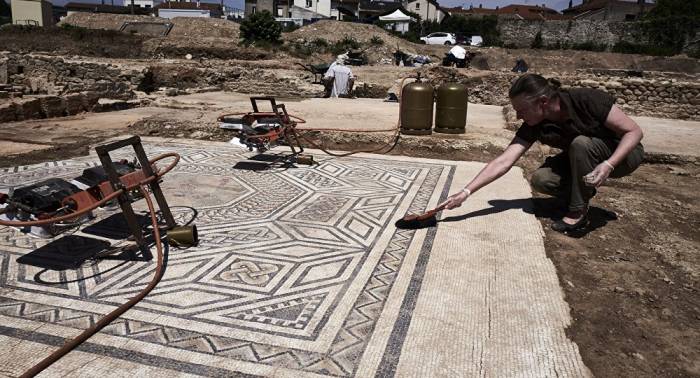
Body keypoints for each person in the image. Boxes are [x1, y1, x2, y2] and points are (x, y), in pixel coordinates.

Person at [441, 73, 644, 233]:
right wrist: (465, 193)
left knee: (580, 143)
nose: (519, 116)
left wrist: (609, 164)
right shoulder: (535, 122)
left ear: (543, 101)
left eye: (522, 109)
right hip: (582, 157)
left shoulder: (585, 99)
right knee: (542, 179)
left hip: (624, 154)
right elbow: (504, 161)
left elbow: (634, 132)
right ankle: (580, 194)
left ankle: (578, 212)